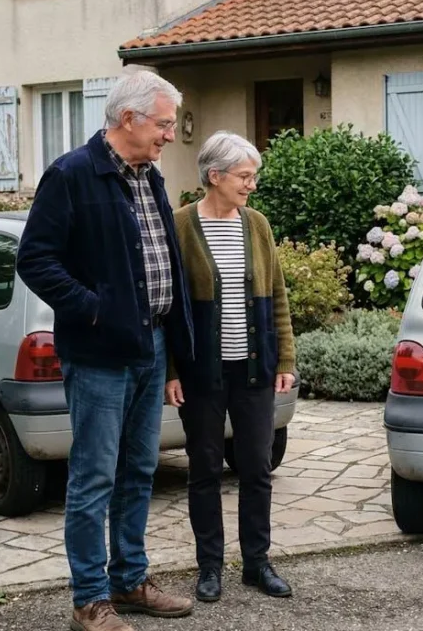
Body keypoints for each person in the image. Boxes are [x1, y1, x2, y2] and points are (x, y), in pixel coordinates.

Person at [16, 69, 196, 631]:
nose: (171, 134)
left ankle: (130, 580)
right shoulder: (72, 174)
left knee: (139, 469)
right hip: (98, 352)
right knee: (94, 476)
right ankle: (89, 600)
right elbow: (35, 260)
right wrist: (94, 308)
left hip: (150, 343)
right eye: (164, 124)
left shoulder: (150, 177)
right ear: (129, 119)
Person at [165, 131, 296, 603]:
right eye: (244, 176)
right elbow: (167, 308)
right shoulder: (178, 225)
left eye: (252, 176)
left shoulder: (256, 224)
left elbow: (277, 294)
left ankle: (257, 564)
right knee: (203, 470)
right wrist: (171, 371)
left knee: (257, 468)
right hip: (202, 373)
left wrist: (285, 358)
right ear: (214, 176)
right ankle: (210, 567)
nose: (251, 185)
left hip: (254, 369)